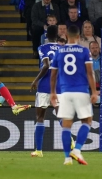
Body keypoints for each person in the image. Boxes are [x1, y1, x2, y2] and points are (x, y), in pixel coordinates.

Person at [50, 25, 98, 165]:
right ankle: (76, 150)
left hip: (64, 92)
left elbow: (53, 75)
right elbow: (90, 73)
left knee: (66, 125)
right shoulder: (84, 51)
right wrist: (94, 91)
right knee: (87, 121)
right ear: (78, 36)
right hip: (81, 91)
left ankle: (66, 159)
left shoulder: (59, 51)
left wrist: (53, 92)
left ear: (66, 36)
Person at [30, 25, 65, 157]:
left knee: (40, 117)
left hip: (44, 85)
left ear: (46, 35)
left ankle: (39, 150)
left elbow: (46, 65)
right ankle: (70, 141)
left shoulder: (42, 47)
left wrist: (35, 80)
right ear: (57, 36)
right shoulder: (63, 49)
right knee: (60, 115)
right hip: (59, 86)